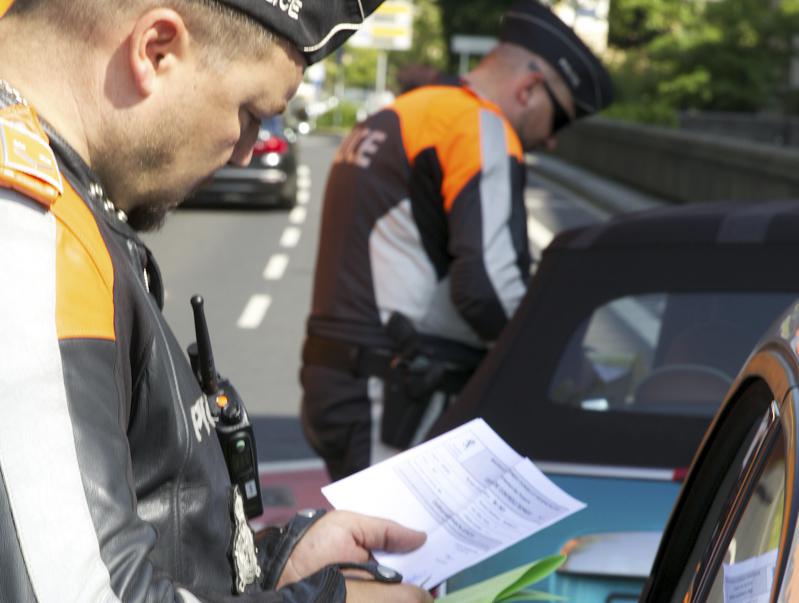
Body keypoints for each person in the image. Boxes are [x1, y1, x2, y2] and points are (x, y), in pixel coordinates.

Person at [0, 1, 433, 602]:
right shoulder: (23, 221)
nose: (246, 151)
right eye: (251, 113)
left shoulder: (61, 199)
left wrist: (275, 567)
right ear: (156, 49)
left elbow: (133, 528)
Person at [301, 0, 615, 481]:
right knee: (393, 553)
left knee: (360, 546)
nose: (552, 141)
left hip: (335, 379)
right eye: (560, 120)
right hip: (396, 391)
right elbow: (489, 287)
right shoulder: (478, 125)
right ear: (530, 89)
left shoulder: (400, 113)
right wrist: (564, 368)